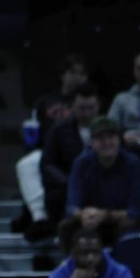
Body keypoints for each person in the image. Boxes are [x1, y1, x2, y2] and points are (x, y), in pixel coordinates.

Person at [60, 117, 140, 249]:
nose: (106, 142)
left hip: (119, 221)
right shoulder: (82, 163)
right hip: (91, 221)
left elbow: (137, 209)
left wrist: (105, 215)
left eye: (111, 137)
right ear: (92, 142)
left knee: (128, 224)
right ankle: (74, 267)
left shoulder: (133, 164)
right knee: (66, 226)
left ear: (119, 139)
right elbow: (71, 205)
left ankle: (123, 267)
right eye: (100, 138)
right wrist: (83, 215)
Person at [33, 84, 101, 240]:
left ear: (98, 106)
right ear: (73, 107)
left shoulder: (108, 130)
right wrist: (68, 181)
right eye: (82, 108)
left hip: (102, 183)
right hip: (68, 183)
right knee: (56, 196)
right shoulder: (58, 129)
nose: (87, 113)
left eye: (91, 108)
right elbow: (48, 163)